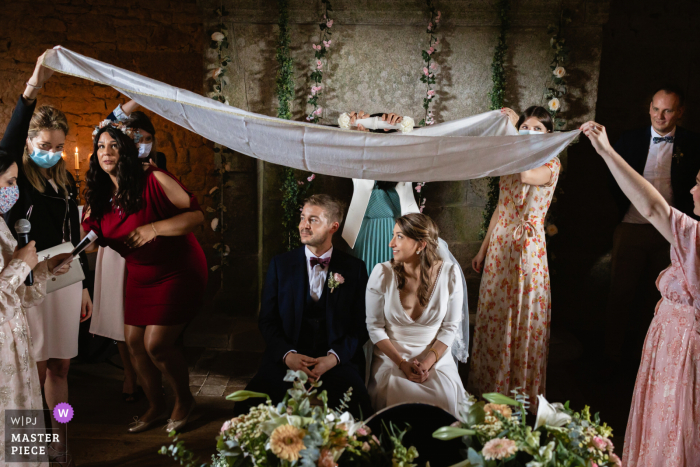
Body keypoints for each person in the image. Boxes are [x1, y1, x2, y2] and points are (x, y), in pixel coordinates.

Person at [582, 120, 700, 467]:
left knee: (673, 427)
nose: (692, 191)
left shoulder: (696, 238)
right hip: (671, 349)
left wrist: (606, 151)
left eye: (697, 183)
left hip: (684, 355)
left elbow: (652, 207)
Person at [82, 124, 207, 433]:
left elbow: (196, 215)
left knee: (157, 344)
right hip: (140, 275)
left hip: (178, 269)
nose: (106, 152)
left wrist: (155, 228)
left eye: (113, 145)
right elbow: (93, 241)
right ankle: (156, 406)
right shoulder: (99, 198)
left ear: (126, 151)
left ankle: (185, 400)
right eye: (100, 147)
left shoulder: (153, 179)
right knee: (134, 342)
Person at [1, 53, 92, 464]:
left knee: (61, 367)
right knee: (33, 368)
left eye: (58, 147)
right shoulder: (15, 178)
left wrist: (84, 283)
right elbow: (10, 137)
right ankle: (29, 444)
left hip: (65, 277)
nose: (52, 154)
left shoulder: (65, 178)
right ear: (28, 145)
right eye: (44, 147)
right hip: (27, 280)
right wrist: (32, 87)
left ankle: (61, 435)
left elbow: (72, 233)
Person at [344, 110, 471, 365]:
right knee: (367, 298)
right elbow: (348, 149)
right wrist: (359, 128)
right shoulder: (360, 154)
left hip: (400, 231)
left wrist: (403, 128)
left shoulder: (405, 156)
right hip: (365, 232)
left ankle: (401, 354)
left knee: (399, 292)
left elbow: (415, 152)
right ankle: (364, 364)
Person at [234, 194, 373, 419]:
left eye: (313, 219)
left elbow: (361, 325)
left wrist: (332, 358)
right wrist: (288, 355)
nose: (303, 225)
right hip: (287, 358)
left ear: (333, 227)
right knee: (248, 406)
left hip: (334, 361)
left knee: (359, 408)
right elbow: (267, 320)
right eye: (302, 218)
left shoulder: (354, 269)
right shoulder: (280, 265)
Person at [468, 105, 561, 409]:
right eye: (526, 127)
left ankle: (517, 395)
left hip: (527, 249)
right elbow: (500, 206)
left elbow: (526, 172)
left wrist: (512, 128)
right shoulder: (509, 161)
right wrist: (482, 250)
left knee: (520, 314)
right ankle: (487, 391)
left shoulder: (551, 163)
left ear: (549, 136)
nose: (530, 132)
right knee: (494, 314)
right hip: (500, 246)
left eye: (538, 129)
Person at [603, 86, 700, 367]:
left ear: (679, 113)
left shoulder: (693, 144)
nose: (660, 115)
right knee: (619, 293)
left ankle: (647, 359)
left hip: (673, 234)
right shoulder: (629, 140)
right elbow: (613, 181)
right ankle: (611, 358)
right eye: (656, 109)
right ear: (649, 108)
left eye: (668, 110)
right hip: (631, 226)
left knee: (658, 298)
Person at [90, 100, 168, 402]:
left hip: (145, 245)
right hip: (115, 246)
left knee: (142, 317)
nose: (142, 145)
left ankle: (151, 375)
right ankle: (129, 372)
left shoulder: (155, 165)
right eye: (136, 138)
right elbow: (106, 125)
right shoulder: (108, 158)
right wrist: (141, 95)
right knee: (116, 312)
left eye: (147, 139)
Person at [0, 149, 72, 467]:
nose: (13, 191)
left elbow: (20, 296)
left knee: (23, 432)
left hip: (17, 346)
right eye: (9, 182)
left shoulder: (2, 227)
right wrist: (19, 266)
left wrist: (44, 268)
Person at [366, 213, 465, 417]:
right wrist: (402, 363)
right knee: (397, 397)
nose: (391, 243)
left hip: (435, 356)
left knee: (443, 398)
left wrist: (427, 364)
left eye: (399, 237)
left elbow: (450, 328)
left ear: (421, 245)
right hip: (391, 355)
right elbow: (374, 327)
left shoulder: (450, 275)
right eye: (393, 235)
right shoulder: (381, 274)